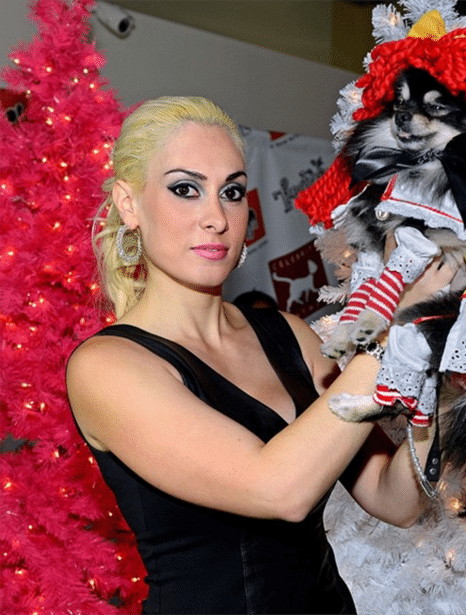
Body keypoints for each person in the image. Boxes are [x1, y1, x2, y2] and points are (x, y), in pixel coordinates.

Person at [65, 96, 444, 615]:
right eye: (184, 190)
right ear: (130, 205)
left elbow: (397, 500)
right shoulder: (108, 368)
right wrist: (398, 323)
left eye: (232, 192)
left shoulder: (290, 336)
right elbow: (279, 489)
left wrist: (446, 366)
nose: (216, 218)